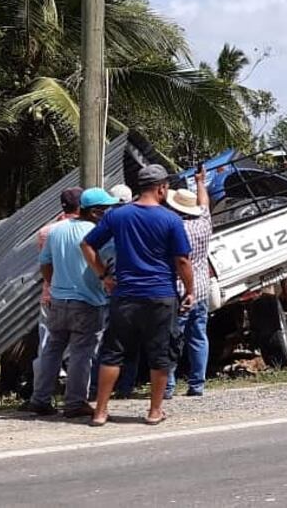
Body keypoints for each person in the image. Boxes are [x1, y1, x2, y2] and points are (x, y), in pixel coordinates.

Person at [83, 165, 195, 427]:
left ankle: (100, 412)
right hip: (160, 295)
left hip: (125, 295)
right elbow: (182, 260)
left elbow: (87, 244)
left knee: (113, 353)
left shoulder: (117, 215)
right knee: (160, 354)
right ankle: (154, 411)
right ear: (162, 188)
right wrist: (190, 290)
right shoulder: (171, 220)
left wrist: (103, 275)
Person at [20, 188, 119, 418]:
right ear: (95, 212)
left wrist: (54, 284)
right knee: (81, 353)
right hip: (87, 300)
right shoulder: (97, 233)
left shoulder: (56, 231)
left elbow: (45, 263)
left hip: (58, 299)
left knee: (52, 350)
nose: (109, 214)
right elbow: (108, 261)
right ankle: (74, 402)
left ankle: (40, 399)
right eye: (106, 210)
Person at [164, 165, 212, 398]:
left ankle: (168, 385)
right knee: (198, 336)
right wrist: (201, 182)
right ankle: (197, 384)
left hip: (180, 288)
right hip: (202, 288)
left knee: (172, 338)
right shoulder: (204, 222)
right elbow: (205, 205)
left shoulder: (175, 228)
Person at [32, 187, 85, 381]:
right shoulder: (88, 230)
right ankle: (77, 391)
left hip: (51, 296)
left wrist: (52, 284)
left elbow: (45, 265)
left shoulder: (45, 232)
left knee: (47, 347)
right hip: (81, 297)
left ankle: (42, 390)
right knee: (79, 349)